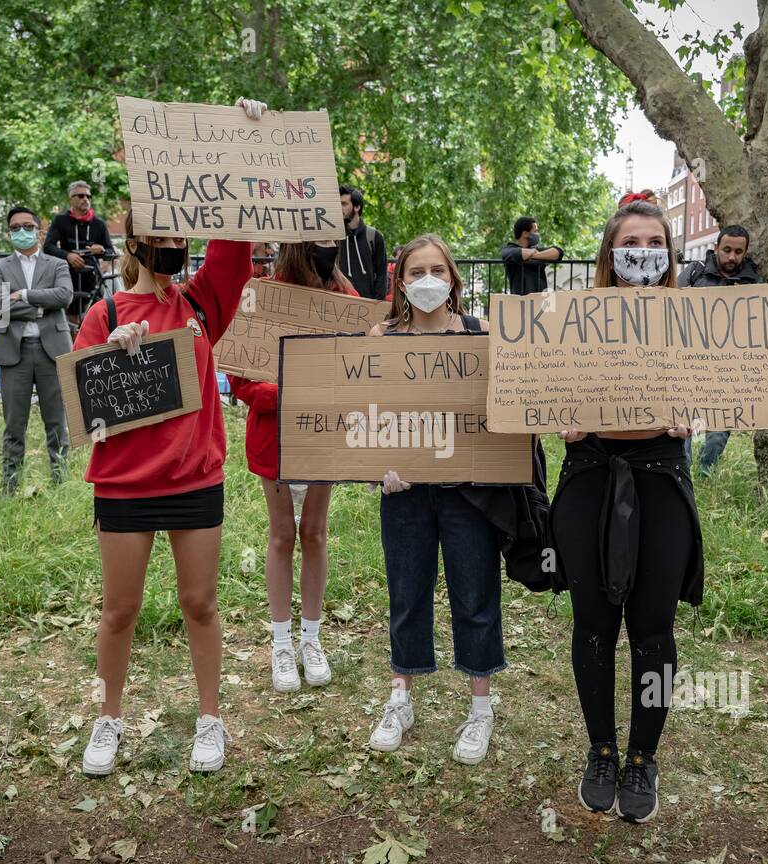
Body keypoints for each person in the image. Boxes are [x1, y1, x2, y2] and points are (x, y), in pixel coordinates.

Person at [75, 96, 265, 777]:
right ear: (135, 243)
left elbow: (237, 240)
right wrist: (109, 353)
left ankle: (210, 720)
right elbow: (83, 407)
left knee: (200, 603)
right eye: (162, 232)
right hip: (124, 487)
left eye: (183, 231)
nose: (174, 243)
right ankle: (107, 719)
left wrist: (243, 139)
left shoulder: (204, 302)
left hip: (195, 481)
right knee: (119, 611)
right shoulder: (104, 311)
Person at [551, 196, 701, 823]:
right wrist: (560, 417)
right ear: (611, 254)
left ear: (668, 253)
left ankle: (643, 756)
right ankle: (601, 750)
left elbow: (722, 391)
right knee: (592, 621)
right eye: (631, 242)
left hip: (660, 480)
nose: (643, 252)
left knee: (653, 625)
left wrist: (695, 411)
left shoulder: (695, 321)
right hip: (590, 476)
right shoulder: (571, 319)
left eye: (654, 242)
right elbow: (545, 390)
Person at [364, 234, 505, 767]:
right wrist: (380, 464)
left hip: (469, 493)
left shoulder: (481, 334)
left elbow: (507, 407)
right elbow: (362, 411)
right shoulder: (382, 337)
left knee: (475, 594)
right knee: (406, 591)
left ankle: (480, 707)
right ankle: (400, 698)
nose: (428, 280)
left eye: (437, 271)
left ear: (453, 279)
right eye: (416, 271)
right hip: (405, 491)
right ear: (401, 282)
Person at [226, 240, 355, 693]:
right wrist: (287, 394)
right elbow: (240, 379)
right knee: (282, 534)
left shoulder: (346, 297)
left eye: (333, 238)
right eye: (318, 237)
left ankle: (311, 639)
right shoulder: (261, 295)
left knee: (316, 533)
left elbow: (359, 370)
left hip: (323, 436)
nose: (328, 245)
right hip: (275, 439)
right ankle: (281, 644)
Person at [0, 206, 75, 494]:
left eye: (27, 226)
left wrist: (23, 296)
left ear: (39, 229)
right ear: (8, 232)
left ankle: (61, 486)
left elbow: (64, 296)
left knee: (56, 423)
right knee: (14, 425)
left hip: (53, 351)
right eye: (15, 227)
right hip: (15, 353)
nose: (21, 232)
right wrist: (41, 306)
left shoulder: (56, 264)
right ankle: (9, 488)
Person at [677, 224, 763, 476]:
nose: (732, 257)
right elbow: (672, 304)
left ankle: (706, 471)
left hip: (730, 367)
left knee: (720, 427)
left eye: (738, 251)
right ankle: (683, 471)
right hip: (692, 361)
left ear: (745, 252)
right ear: (716, 248)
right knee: (685, 419)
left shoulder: (754, 281)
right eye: (726, 250)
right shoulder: (696, 272)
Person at [43, 180, 116, 327]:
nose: (86, 199)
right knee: (71, 323)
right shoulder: (60, 220)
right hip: (67, 277)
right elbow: (48, 247)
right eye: (81, 196)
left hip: (92, 280)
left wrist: (101, 250)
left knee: (94, 321)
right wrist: (68, 256)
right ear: (71, 199)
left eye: (88, 196)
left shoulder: (99, 224)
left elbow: (111, 252)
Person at [337, 186, 388, 299]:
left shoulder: (374, 237)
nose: (340, 208)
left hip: (367, 305)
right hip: (338, 304)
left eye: (344, 204)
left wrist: (377, 303)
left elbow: (382, 274)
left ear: (357, 207)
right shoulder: (334, 237)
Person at [501, 216, 563, 295]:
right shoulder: (509, 250)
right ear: (525, 233)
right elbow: (519, 253)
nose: (537, 234)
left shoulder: (536, 251)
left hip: (539, 300)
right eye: (535, 231)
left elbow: (558, 252)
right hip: (520, 301)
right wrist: (534, 253)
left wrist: (534, 255)